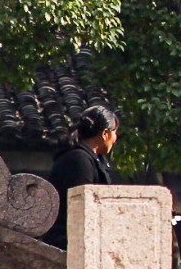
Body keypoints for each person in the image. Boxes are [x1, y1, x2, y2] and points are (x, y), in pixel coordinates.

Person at [43, 104, 122, 248]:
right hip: (68, 242)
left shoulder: (89, 158)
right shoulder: (79, 160)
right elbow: (82, 207)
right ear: (105, 134)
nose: (115, 138)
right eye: (115, 132)